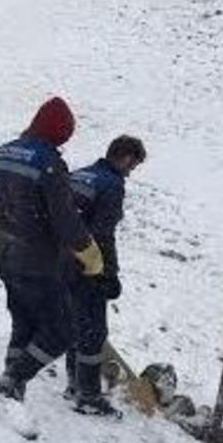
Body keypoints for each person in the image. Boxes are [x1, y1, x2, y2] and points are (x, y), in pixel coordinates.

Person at [0, 96, 104, 402]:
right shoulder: (49, 163)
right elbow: (65, 220)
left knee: (24, 322)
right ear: (58, 133)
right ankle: (10, 380)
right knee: (63, 331)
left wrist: (1, 236)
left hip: (7, 257)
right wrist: (89, 254)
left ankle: (13, 387)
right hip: (40, 263)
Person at [65, 135, 148, 415]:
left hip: (61, 259)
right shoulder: (111, 184)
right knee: (93, 330)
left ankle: (74, 384)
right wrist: (109, 275)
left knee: (75, 323)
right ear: (125, 158)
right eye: (132, 166)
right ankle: (87, 395)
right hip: (87, 264)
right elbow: (103, 234)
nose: (130, 172)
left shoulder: (80, 174)